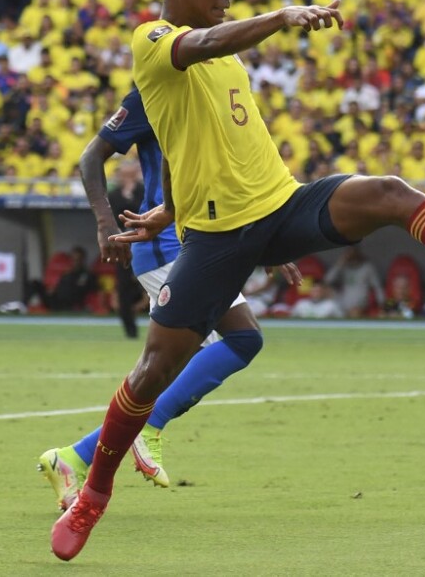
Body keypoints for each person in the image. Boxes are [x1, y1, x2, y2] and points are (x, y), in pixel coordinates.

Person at [51, 0, 425, 561]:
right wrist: (282, 16)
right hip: (217, 241)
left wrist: (220, 221)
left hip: (279, 205)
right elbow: (207, 44)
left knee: (386, 191)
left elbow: (218, 153)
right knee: (152, 371)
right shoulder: (153, 41)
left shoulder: (228, 63)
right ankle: (93, 495)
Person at [36, 87, 300, 510]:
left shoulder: (217, 88)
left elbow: (233, 173)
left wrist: (269, 243)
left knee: (195, 355)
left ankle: (74, 458)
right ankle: (147, 426)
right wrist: (105, 223)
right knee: (237, 340)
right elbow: (90, 158)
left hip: (204, 240)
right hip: (164, 244)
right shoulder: (154, 92)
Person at [107, 161, 146, 339]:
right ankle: (130, 330)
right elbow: (111, 218)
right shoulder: (114, 194)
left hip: (145, 240)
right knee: (123, 286)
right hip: (124, 242)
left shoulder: (143, 191)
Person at [324, 246, 384, 317]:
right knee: (328, 294)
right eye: (349, 254)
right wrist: (339, 263)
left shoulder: (367, 267)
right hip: (343, 303)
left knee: (354, 312)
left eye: (354, 254)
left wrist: (382, 303)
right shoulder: (343, 267)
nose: (352, 256)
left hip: (360, 304)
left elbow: (377, 287)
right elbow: (327, 280)